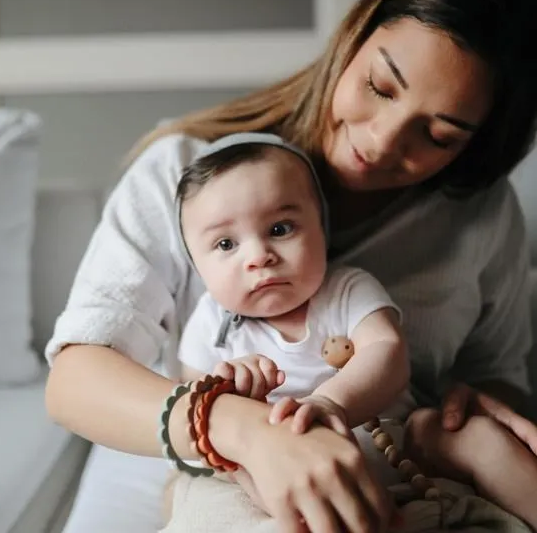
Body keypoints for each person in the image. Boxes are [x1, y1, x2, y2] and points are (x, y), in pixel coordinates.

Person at [44, 0, 537, 533]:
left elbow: (495, 370)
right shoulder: (187, 172)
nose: (380, 143)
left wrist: (475, 407)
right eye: (379, 86)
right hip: (208, 457)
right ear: (351, 41)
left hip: (404, 459)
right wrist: (248, 432)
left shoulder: (479, 213)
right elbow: (76, 378)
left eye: (437, 135)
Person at [163, 133, 537, 531]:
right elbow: (196, 406)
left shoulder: (345, 289)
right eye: (225, 244)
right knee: (208, 490)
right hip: (278, 465)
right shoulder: (210, 323)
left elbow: (387, 350)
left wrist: (332, 403)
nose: (259, 256)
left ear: (322, 230)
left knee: (477, 436)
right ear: (197, 267)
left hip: (394, 438)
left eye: (280, 229)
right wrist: (234, 391)